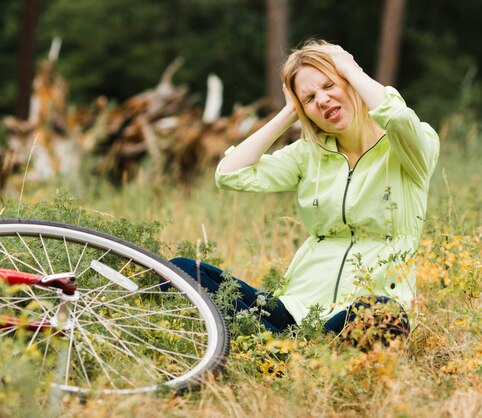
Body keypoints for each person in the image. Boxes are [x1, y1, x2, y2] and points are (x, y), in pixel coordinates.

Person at [170, 40, 440, 343]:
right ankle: (286, 347)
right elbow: (230, 174)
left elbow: (400, 117)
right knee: (179, 271)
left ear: (352, 82)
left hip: (359, 311)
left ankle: (274, 346)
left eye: (329, 85)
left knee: (381, 313)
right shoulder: (309, 153)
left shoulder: (410, 147)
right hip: (296, 307)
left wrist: (350, 67)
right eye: (309, 98)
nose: (323, 100)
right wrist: (289, 112)